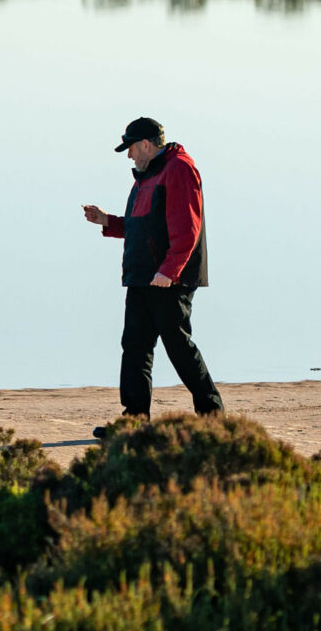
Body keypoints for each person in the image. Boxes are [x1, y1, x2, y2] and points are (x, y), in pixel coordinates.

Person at [80, 116, 224, 433]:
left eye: (130, 149)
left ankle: (213, 418)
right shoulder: (147, 176)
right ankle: (134, 423)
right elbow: (140, 227)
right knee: (134, 346)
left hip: (168, 280)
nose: (129, 156)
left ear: (146, 144)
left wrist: (169, 271)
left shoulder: (179, 169)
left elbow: (188, 229)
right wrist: (107, 221)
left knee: (179, 348)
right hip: (143, 277)